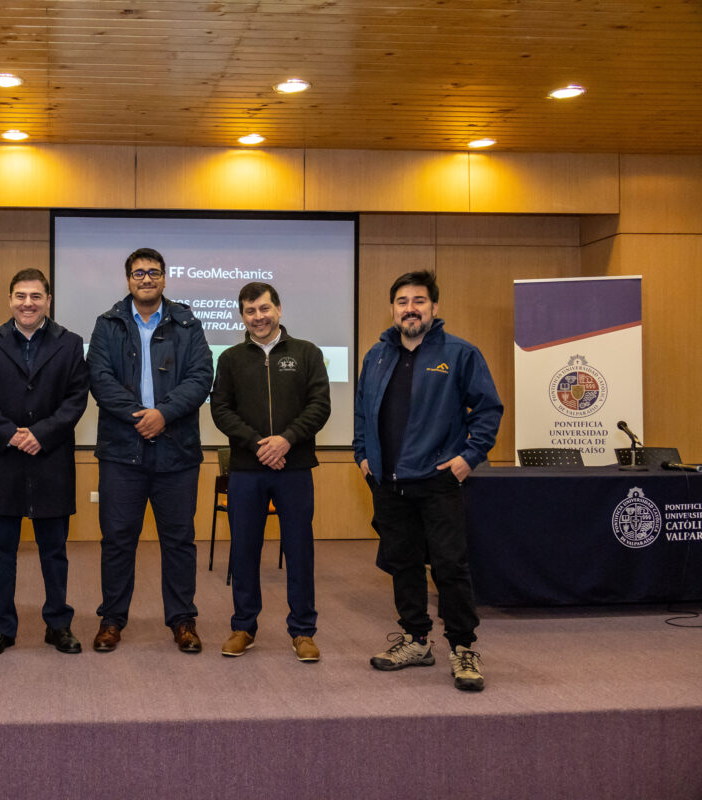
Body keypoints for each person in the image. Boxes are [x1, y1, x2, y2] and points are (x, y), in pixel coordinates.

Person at [353, 270, 503, 691]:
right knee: (403, 564)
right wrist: (363, 455)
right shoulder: (376, 356)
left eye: (419, 300)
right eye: (402, 301)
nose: (410, 308)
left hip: (438, 481)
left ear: (434, 308)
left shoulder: (459, 353)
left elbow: (488, 410)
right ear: (393, 309)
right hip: (388, 483)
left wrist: (468, 458)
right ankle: (416, 640)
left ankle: (462, 647)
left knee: (450, 566)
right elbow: (362, 412)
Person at [87, 247, 213, 653]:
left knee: (178, 540)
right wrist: (140, 416)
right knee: (118, 539)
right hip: (122, 450)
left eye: (153, 272)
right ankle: (111, 619)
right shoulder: (107, 324)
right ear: (128, 279)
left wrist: (164, 413)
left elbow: (200, 376)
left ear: (164, 278)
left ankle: (183, 620)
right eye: (138, 273)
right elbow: (99, 378)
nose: (146, 279)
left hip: (176, 451)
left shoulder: (188, 323)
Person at [0, 269, 90, 657]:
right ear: (9, 300)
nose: (27, 303)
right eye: (20, 296)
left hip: (50, 460)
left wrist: (41, 434)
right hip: (3, 461)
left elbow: (76, 398)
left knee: (54, 551)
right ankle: (2, 628)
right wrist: (12, 433)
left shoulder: (69, 343)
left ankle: (58, 624)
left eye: (36, 296)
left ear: (48, 300)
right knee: (1, 552)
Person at [210, 282, 330, 661]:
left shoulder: (308, 353)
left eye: (264, 309)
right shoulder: (229, 359)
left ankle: (303, 631)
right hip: (247, 469)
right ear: (241, 316)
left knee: (299, 550)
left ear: (278, 309)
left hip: (294, 468)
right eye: (249, 311)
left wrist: (286, 440)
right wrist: (261, 444)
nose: (258, 317)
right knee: (244, 550)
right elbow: (221, 410)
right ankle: (243, 626)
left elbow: (320, 406)